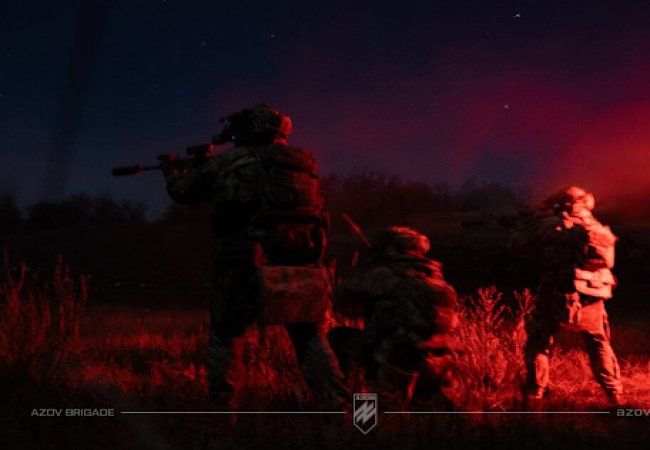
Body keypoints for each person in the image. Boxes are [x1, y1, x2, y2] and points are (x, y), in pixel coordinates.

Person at [162, 103, 347, 409]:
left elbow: (184, 192)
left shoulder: (232, 160)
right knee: (309, 336)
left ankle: (224, 413)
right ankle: (341, 408)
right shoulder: (303, 163)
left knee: (226, 335)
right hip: (298, 262)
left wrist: (173, 173)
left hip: (244, 262)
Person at [509, 186, 622, 407]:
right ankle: (614, 395)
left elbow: (517, 249)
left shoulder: (552, 224)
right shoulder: (596, 225)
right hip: (594, 291)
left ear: (564, 204)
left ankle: (535, 394)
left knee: (539, 340)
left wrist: (524, 226)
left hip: (559, 289)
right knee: (599, 342)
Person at [330, 226, 459, 410]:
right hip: (441, 356)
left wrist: (364, 268)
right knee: (430, 410)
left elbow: (341, 295)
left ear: (391, 248)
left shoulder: (386, 274)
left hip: (396, 354)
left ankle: (357, 415)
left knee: (339, 339)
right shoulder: (436, 277)